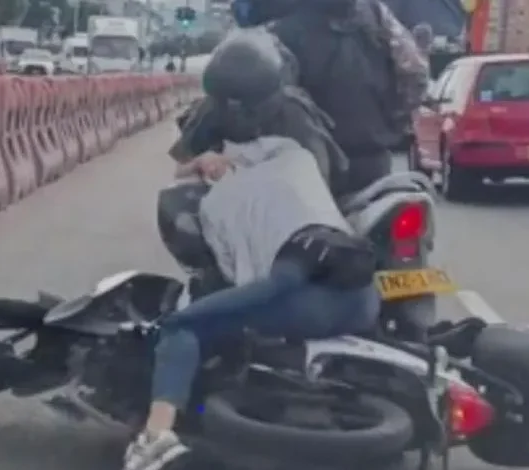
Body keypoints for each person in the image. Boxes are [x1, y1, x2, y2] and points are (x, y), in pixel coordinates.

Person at [122, 78, 380, 470]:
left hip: (300, 293)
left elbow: (246, 281)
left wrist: (187, 317)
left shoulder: (217, 205)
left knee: (184, 327)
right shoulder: (295, 158)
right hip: (363, 297)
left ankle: (153, 440)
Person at [230, 0, 429, 193]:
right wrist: (394, 122)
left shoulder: (274, 23)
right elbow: (415, 72)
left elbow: (252, 91)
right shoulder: (376, 14)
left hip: (300, 169)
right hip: (371, 161)